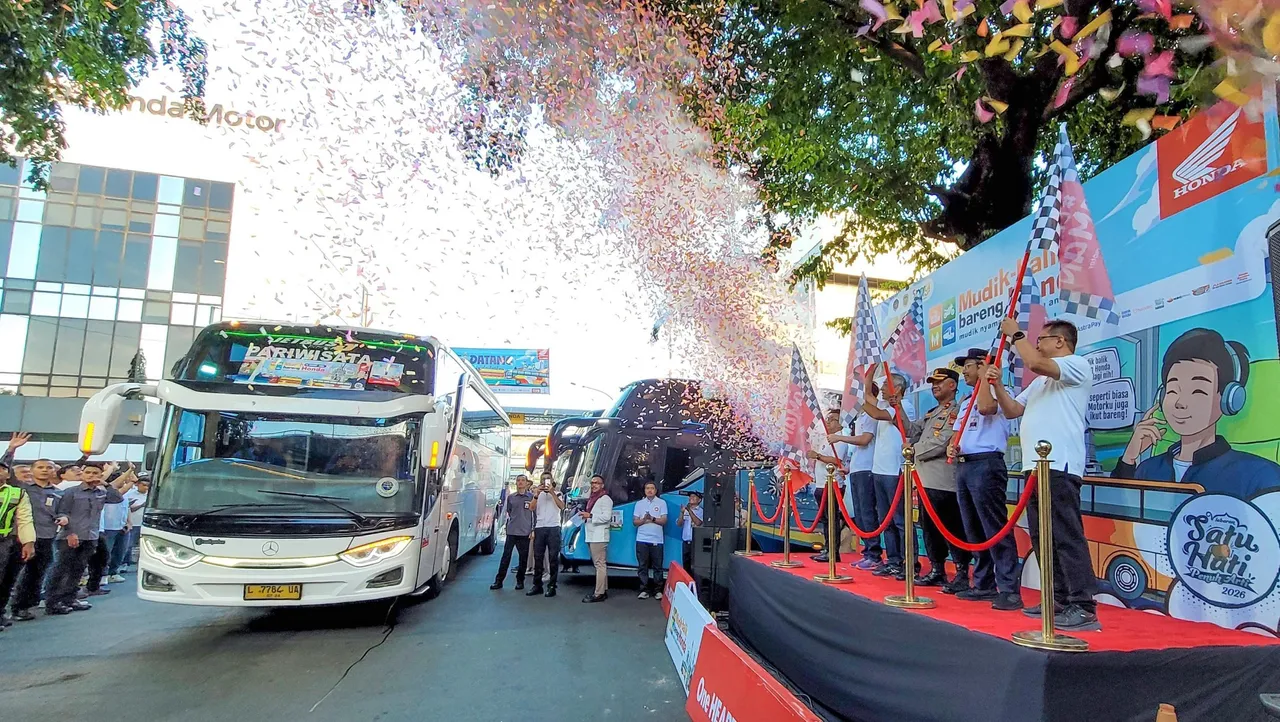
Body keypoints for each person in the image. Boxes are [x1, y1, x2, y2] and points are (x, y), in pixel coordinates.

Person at [990, 317, 1098, 631]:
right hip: (1033, 468)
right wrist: (996, 385)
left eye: (1042, 338)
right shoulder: (1039, 383)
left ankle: (1083, 604)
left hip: (1059, 465)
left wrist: (1016, 335)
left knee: (1065, 535)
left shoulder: (1077, 365)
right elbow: (1012, 410)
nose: (1037, 344)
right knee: (1042, 537)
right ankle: (1058, 598)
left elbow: (1035, 362)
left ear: (1060, 342)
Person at [1113, 328, 1280, 497]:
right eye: (1173, 390)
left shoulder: (1260, 476)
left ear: (1229, 398)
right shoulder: (1148, 470)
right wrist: (1129, 457)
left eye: (1198, 390)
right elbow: (1117, 515)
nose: (1180, 402)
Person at [948, 348, 1022, 609]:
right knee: (973, 528)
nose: (964, 371)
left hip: (987, 464)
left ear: (982, 365)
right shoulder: (966, 400)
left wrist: (985, 380)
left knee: (994, 527)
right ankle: (983, 583)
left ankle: (1010, 588)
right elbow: (958, 432)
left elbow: (987, 408)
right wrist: (953, 447)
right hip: (965, 465)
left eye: (968, 366)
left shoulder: (1000, 393)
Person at [906, 368, 976, 592]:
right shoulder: (931, 413)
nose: (934, 386)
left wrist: (912, 451)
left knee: (951, 527)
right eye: (932, 383)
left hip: (943, 481)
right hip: (925, 480)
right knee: (929, 528)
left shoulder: (955, 411)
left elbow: (944, 441)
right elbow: (910, 430)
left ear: (952, 385)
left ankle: (962, 572)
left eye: (939, 382)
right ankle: (937, 570)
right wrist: (897, 406)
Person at [46, 462, 133, 614]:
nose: (91, 476)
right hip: (70, 536)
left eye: (95, 473)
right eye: (88, 473)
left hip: (91, 536)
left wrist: (105, 483)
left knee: (78, 570)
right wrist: (70, 532)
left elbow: (117, 498)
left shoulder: (101, 492)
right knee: (61, 570)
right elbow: (62, 513)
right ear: (83, 474)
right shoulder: (71, 492)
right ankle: (52, 602)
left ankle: (70, 598)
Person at [862, 369, 911, 580]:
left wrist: (856, 403)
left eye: (884, 387)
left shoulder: (903, 407)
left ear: (897, 389)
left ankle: (908, 562)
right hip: (879, 470)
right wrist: (867, 376)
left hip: (895, 470)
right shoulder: (883, 404)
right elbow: (868, 397)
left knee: (900, 520)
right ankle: (892, 561)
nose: (880, 390)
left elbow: (874, 413)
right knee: (886, 520)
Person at [9, 444, 63, 621]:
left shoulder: (58, 493)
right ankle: (10, 607)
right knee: (12, 574)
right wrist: (11, 449)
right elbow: (5, 470)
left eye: (49, 467)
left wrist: (63, 517)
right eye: (40, 467)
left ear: (54, 471)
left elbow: (62, 511)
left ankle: (24, 606)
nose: (45, 470)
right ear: (32, 470)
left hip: (46, 536)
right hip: (21, 538)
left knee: (37, 573)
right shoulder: (22, 488)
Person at [830, 386, 881, 571]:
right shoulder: (859, 417)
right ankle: (868, 552)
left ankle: (874, 554)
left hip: (868, 468)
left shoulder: (871, 415)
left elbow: (865, 440)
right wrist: (849, 467)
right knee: (860, 513)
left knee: (867, 513)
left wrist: (840, 438)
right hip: (857, 469)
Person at [806, 409, 848, 564]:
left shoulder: (842, 440)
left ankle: (833, 550)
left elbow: (837, 460)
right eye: (828, 419)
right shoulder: (827, 440)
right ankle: (827, 548)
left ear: (840, 423)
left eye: (832, 420)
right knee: (825, 519)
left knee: (831, 519)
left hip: (832, 484)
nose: (828, 422)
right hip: (821, 484)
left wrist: (817, 456)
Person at [0, 462, 37, 629]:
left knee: (6, 578)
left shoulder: (18, 493)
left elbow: (25, 519)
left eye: (2, 469)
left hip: (5, 540)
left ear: (8, 475)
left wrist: (28, 542)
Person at [491, 474, 534, 591]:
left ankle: (520, 581)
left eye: (523, 480)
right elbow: (508, 511)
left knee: (523, 559)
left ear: (527, 483)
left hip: (525, 532)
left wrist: (532, 530)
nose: (520, 482)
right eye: (518, 480)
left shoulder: (532, 497)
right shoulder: (511, 497)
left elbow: (534, 514)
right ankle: (499, 581)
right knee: (506, 557)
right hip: (512, 531)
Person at [526, 472, 564, 598]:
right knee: (538, 557)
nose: (545, 481)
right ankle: (537, 585)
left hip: (554, 527)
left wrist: (552, 492)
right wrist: (536, 495)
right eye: (543, 479)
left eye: (548, 479)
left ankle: (552, 586)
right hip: (540, 527)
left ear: (552, 480)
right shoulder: (538, 494)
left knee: (553, 557)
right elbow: (531, 508)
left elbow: (562, 506)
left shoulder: (558, 493)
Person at [580, 474, 614, 603]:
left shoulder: (605, 499)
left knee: (599, 564)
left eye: (597, 483)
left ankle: (598, 593)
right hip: (592, 535)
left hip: (599, 536)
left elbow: (606, 517)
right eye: (592, 483)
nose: (594, 485)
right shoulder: (593, 498)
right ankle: (603, 590)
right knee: (599, 564)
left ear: (602, 485)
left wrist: (590, 515)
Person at [632, 481, 668, 599]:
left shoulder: (662, 503)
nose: (649, 490)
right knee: (643, 565)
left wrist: (651, 518)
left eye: (652, 488)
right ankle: (644, 589)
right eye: (647, 488)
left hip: (657, 540)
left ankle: (658, 590)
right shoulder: (639, 504)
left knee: (658, 566)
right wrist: (644, 520)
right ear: (644, 490)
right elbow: (635, 522)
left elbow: (663, 521)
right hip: (642, 539)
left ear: (656, 490)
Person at [122, 475, 149, 571]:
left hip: (145, 523)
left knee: (145, 546)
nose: (146, 487)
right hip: (134, 523)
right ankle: (125, 564)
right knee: (129, 545)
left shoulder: (150, 495)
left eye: (148, 486)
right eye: (144, 485)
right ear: (138, 484)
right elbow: (129, 509)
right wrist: (142, 505)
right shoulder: (129, 494)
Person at [677, 490, 704, 570]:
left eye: (693, 497)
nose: (690, 498)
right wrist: (682, 513)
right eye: (690, 496)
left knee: (695, 566)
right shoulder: (685, 510)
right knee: (686, 566)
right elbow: (679, 524)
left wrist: (690, 511)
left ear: (699, 500)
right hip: (686, 543)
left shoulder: (701, 511)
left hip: (696, 543)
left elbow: (698, 523)